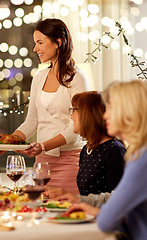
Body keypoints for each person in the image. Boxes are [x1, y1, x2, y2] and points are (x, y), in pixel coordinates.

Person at [65, 80, 147, 239]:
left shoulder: (146, 158)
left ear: (128, 112)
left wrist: (100, 213)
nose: (105, 114)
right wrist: (95, 210)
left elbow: (107, 222)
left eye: (110, 108)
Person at [12, 18, 89, 193]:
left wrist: (43, 145)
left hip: (70, 161)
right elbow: (32, 121)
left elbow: (76, 126)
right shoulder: (39, 77)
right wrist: (8, 142)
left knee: (65, 212)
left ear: (58, 43)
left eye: (40, 42)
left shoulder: (77, 78)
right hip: (42, 163)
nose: (35, 49)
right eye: (35, 43)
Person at [70, 91, 125, 195]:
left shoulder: (113, 150)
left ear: (88, 114)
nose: (71, 116)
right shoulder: (86, 150)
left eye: (74, 111)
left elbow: (119, 198)